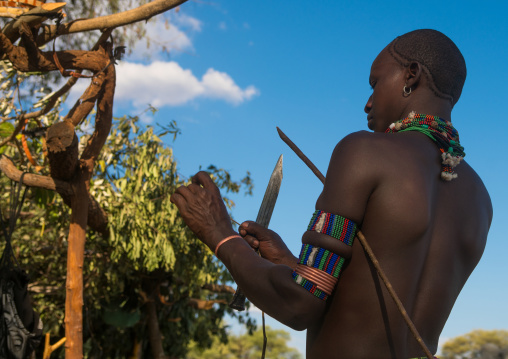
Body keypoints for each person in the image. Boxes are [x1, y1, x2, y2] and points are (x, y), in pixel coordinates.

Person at [170, 29, 492, 359]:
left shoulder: (365, 152)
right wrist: (286, 262)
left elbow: (299, 303)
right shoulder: (480, 199)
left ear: (411, 75)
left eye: (375, 83)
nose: (368, 102)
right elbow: (364, 307)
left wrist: (220, 234)